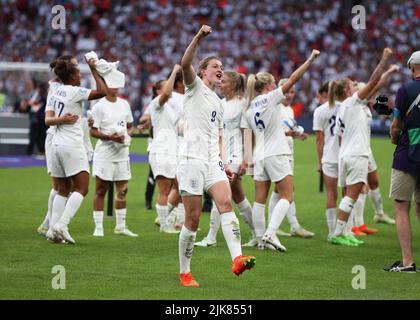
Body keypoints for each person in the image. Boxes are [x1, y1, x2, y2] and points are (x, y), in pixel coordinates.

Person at [177, 25, 255, 288]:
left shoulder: (219, 103)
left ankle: (237, 259)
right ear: (203, 71)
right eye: (215, 66)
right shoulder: (194, 86)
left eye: (222, 66)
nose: (220, 70)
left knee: (226, 203)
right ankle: (185, 272)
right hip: (190, 160)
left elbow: (220, 137)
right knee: (193, 218)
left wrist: (224, 165)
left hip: (212, 162)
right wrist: (199, 37)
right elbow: (184, 62)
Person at [242, 49, 320, 252]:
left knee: (259, 200)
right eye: (274, 82)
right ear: (269, 85)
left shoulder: (249, 108)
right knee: (287, 196)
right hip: (277, 151)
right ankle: (270, 233)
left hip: (260, 155)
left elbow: (247, 136)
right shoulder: (271, 98)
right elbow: (294, 78)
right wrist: (310, 59)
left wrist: (247, 160)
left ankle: (260, 239)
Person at [331, 47, 393, 247]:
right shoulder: (351, 102)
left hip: (347, 154)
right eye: (352, 85)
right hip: (356, 154)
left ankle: (346, 231)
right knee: (352, 195)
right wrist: (383, 59)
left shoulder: (345, 107)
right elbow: (374, 81)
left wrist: (388, 72)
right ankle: (338, 233)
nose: (356, 87)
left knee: (350, 193)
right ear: (347, 91)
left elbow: (375, 86)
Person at [45, 56, 108, 244]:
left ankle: (52, 231)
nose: (81, 75)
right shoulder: (76, 91)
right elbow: (103, 91)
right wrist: (94, 69)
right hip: (71, 144)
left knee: (62, 189)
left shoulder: (54, 89)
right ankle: (62, 225)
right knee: (82, 188)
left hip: (54, 144)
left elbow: (47, 120)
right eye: (79, 72)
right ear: (72, 76)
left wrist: (61, 119)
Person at [195, 71, 255, 247]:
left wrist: (247, 159)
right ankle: (257, 233)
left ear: (234, 85)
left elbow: (248, 133)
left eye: (224, 81)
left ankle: (211, 237)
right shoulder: (219, 103)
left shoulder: (243, 105)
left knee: (219, 194)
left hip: (236, 155)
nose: (220, 83)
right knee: (238, 196)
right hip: (223, 155)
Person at [384, 51, 420, 272]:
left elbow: (396, 125)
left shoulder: (406, 90)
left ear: (411, 67)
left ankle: (407, 262)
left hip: (407, 155)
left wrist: (394, 138)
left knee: (401, 207)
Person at [37, 55, 78, 238]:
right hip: (55, 137)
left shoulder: (59, 87)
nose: (78, 70)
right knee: (60, 186)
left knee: (64, 187)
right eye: (75, 66)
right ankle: (49, 225)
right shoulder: (58, 88)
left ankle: (51, 225)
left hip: (65, 138)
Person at [269, 78, 314, 239]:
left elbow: (288, 130)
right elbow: (272, 132)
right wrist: (289, 133)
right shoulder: (276, 108)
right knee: (288, 190)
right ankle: (293, 226)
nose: (289, 95)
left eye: (292, 92)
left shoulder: (289, 110)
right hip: (278, 153)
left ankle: (274, 226)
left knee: (279, 191)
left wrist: (297, 135)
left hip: (288, 152)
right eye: (286, 91)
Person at [90, 84, 137, 237]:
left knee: (123, 189)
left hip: (122, 153)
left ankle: (121, 226)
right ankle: (98, 227)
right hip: (105, 154)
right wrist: (110, 137)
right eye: (112, 84)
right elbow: (93, 131)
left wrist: (125, 134)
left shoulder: (124, 104)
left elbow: (130, 126)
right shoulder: (99, 106)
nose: (116, 87)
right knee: (101, 189)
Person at [148, 65, 184, 233]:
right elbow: (168, 93)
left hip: (171, 150)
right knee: (164, 189)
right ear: (158, 91)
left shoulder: (170, 108)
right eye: (165, 85)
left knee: (180, 186)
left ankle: (174, 220)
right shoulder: (157, 103)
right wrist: (175, 72)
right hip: (161, 150)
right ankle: (164, 225)